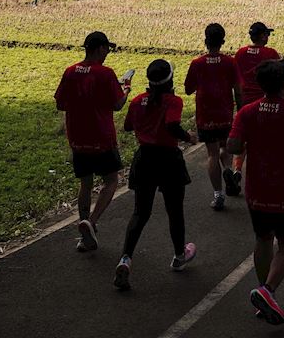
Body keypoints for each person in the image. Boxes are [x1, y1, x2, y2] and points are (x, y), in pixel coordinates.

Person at [226, 59, 284, 326]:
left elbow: (232, 145)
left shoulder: (247, 112)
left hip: (257, 189)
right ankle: (267, 291)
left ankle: (264, 290)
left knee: (263, 239)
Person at [114, 59, 197, 290]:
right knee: (174, 211)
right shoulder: (173, 101)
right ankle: (179, 256)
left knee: (140, 213)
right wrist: (188, 136)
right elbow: (172, 125)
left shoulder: (140, 100)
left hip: (144, 159)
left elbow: (128, 126)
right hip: (168, 160)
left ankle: (125, 259)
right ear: (170, 79)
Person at [54, 30, 130, 253]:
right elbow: (117, 105)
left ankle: (84, 232)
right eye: (107, 49)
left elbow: (60, 104)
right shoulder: (106, 74)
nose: (107, 53)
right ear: (99, 49)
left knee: (85, 184)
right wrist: (125, 89)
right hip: (102, 138)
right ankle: (91, 222)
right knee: (111, 181)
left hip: (78, 139)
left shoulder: (70, 72)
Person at [184, 23, 242, 210]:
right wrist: (240, 110)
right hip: (225, 112)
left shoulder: (197, 63)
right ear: (223, 41)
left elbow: (188, 89)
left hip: (206, 114)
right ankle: (227, 170)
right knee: (225, 147)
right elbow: (237, 89)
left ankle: (218, 195)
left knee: (212, 154)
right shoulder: (230, 62)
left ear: (206, 41)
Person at [229, 22, 280, 192]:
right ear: (262, 36)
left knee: (242, 139)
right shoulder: (270, 53)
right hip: (264, 102)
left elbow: (235, 77)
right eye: (267, 34)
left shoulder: (240, 53)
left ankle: (237, 170)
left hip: (244, 102)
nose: (268, 37)